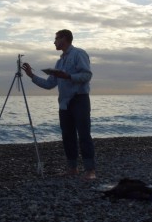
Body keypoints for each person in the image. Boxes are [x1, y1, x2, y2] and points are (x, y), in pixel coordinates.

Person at [21, 29, 96, 180]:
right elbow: (49, 84)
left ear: (65, 39)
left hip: (79, 99)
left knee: (83, 135)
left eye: (56, 39)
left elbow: (87, 75)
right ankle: (72, 168)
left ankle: (90, 171)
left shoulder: (78, 54)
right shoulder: (59, 61)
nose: (54, 42)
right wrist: (31, 76)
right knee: (67, 135)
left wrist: (68, 76)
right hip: (64, 102)